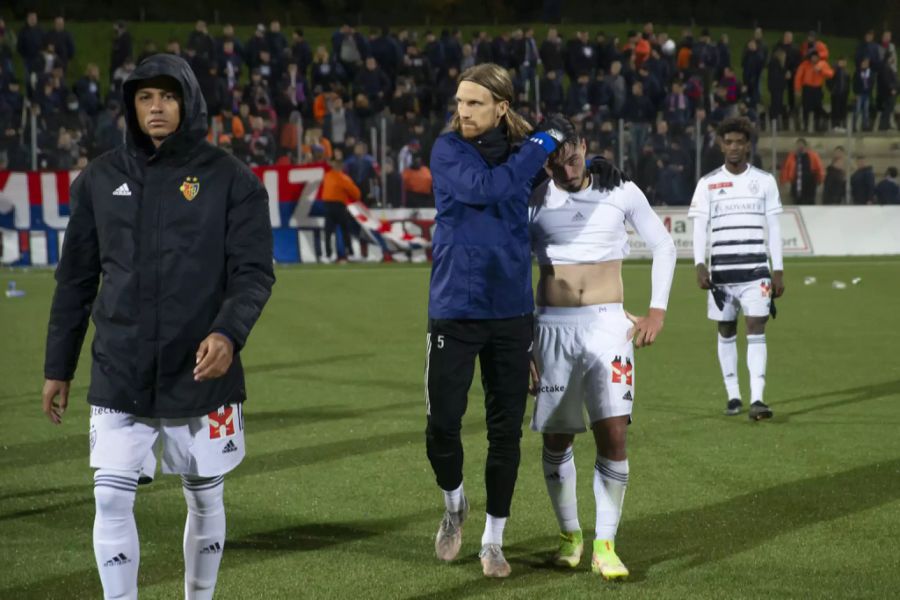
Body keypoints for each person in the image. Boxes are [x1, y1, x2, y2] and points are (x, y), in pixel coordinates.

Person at [41, 53, 275, 600]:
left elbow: (253, 272)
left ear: (188, 101)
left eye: (167, 96)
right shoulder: (99, 179)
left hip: (202, 368)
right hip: (120, 365)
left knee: (204, 495)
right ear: (131, 106)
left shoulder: (231, 178)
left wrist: (228, 332)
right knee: (110, 498)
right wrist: (59, 366)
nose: (156, 107)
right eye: (145, 97)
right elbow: (75, 280)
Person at [425, 62, 624, 578]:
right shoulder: (448, 151)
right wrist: (540, 145)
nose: (462, 112)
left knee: (504, 434)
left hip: (512, 316)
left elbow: (563, 167)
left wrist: (593, 160)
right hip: (454, 311)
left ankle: (493, 539)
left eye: (474, 103)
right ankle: (454, 505)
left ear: (500, 108)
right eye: (460, 102)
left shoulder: (523, 156)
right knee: (441, 426)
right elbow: (489, 189)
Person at [528, 119, 676, 580]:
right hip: (551, 329)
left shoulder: (620, 189)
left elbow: (664, 243)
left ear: (586, 150)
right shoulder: (533, 198)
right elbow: (512, 265)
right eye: (555, 161)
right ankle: (570, 535)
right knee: (557, 438)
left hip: (609, 328)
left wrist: (656, 312)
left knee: (613, 434)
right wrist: (520, 343)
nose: (566, 169)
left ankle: (605, 544)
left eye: (573, 158)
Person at [689, 117, 784, 420]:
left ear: (747, 145)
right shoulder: (708, 184)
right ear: (721, 145)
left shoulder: (765, 181)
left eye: (739, 142)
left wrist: (778, 269)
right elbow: (699, 227)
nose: (733, 147)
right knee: (726, 329)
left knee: (756, 326)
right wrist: (699, 264)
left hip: (756, 271)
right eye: (728, 142)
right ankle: (733, 395)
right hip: (722, 275)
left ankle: (757, 398)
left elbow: (775, 227)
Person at [780, 138, 824, 205]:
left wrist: (820, 179)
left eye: (801, 144)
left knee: (810, 203)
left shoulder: (813, 156)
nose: (800, 146)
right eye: (798, 145)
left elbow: (819, 168)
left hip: (810, 185)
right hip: (796, 184)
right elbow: (786, 169)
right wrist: (784, 181)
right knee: (797, 203)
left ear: (805, 146)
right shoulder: (791, 156)